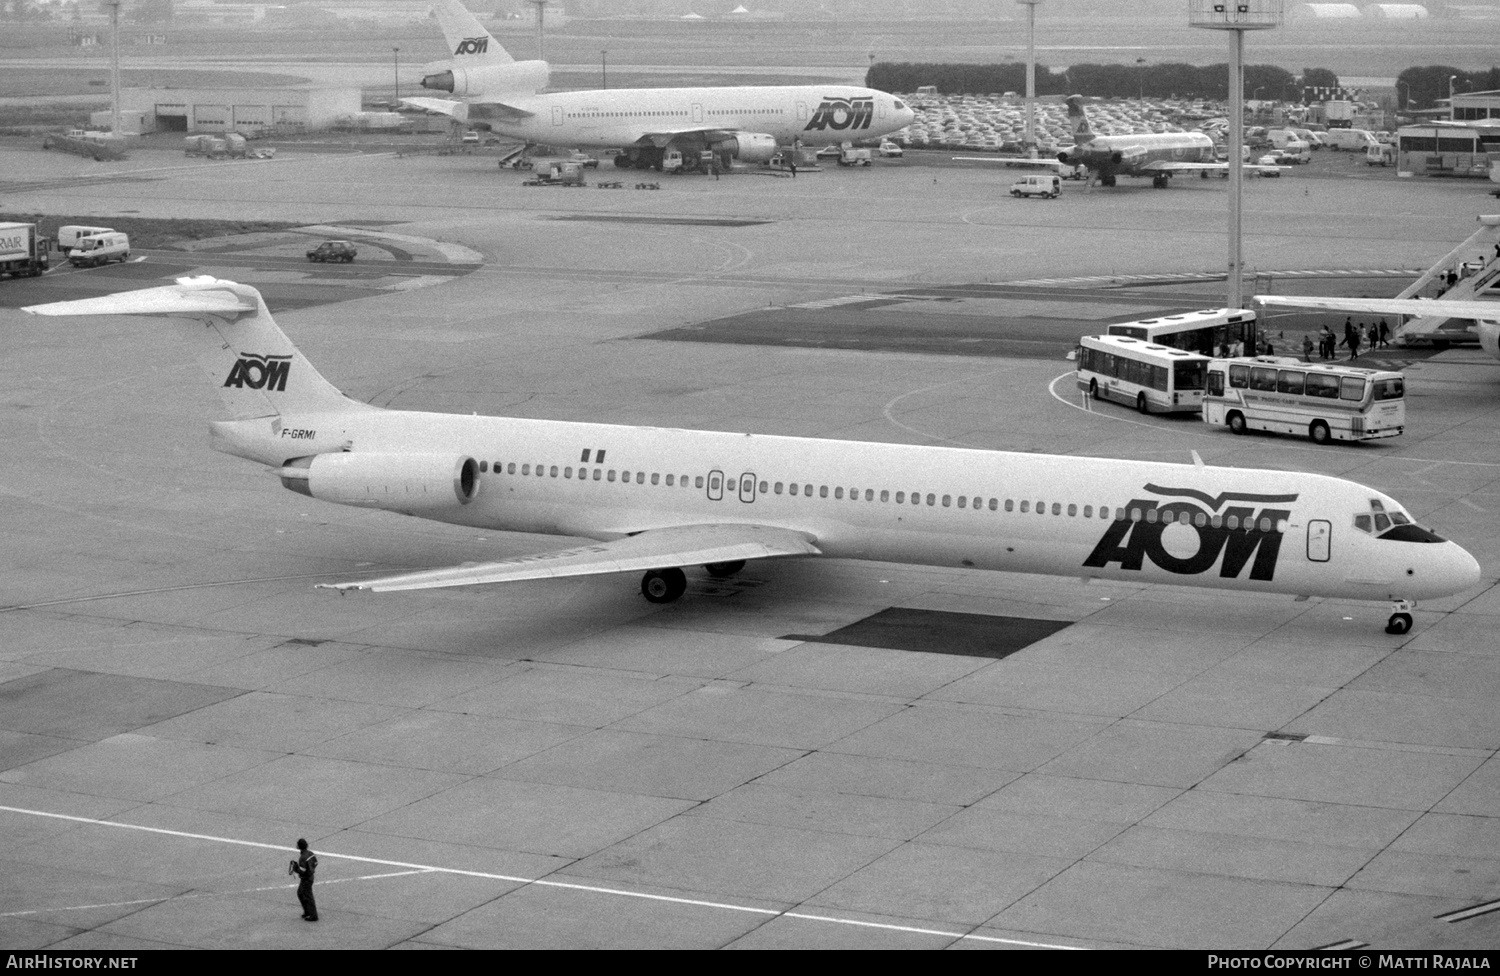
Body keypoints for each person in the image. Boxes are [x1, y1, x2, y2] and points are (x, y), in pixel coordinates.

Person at [291, 838, 318, 921]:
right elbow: (316, 863)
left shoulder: (302, 857)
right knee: (301, 893)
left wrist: (295, 867)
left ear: (299, 846)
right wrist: (311, 869)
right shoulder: (310, 853)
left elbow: (302, 871)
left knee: (307, 896)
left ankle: (313, 915)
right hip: (310, 877)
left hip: (306, 879)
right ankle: (308, 912)